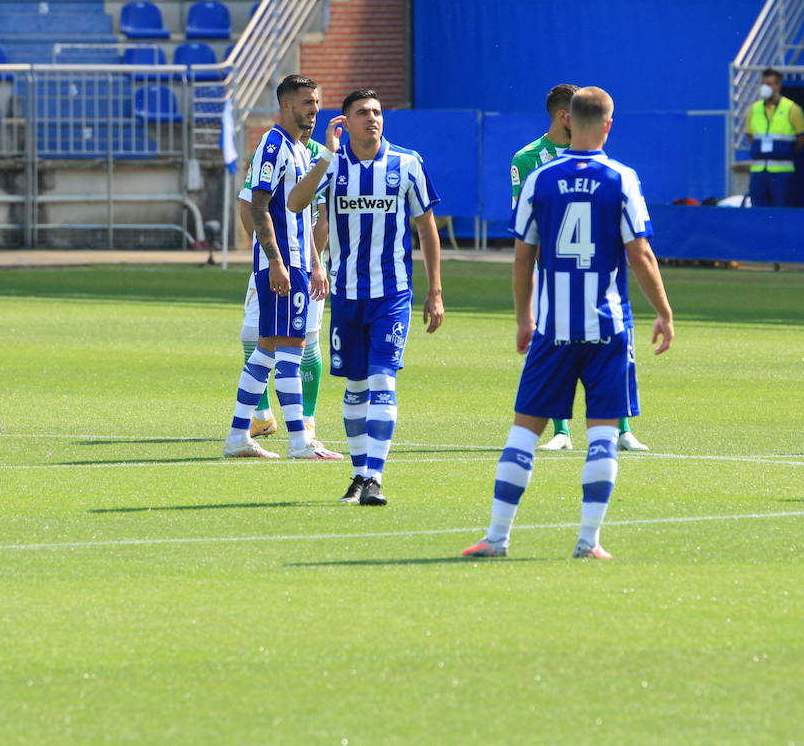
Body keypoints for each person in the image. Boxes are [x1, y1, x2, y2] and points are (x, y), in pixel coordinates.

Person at [463, 87, 675, 559]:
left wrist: (524, 317)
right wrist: (663, 310)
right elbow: (639, 252)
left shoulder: (540, 178)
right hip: (607, 329)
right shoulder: (622, 178)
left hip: (553, 328)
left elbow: (522, 258)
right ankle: (588, 542)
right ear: (607, 124)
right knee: (602, 436)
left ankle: (496, 538)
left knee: (522, 434)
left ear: (568, 120)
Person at [288, 88, 445, 506]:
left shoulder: (407, 164)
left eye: (376, 112)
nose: (372, 119)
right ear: (345, 122)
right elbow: (295, 203)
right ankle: (359, 476)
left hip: (391, 294)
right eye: (362, 113)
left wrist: (436, 291)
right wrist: (326, 154)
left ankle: (375, 476)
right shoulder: (332, 165)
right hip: (346, 295)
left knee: (382, 380)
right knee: (355, 387)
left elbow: (427, 228)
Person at [512, 83, 649, 453]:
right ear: (564, 116)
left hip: (598, 271)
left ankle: (622, 428)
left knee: (614, 342)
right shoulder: (527, 160)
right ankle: (561, 431)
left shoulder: (594, 156)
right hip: (551, 272)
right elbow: (525, 227)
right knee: (557, 343)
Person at [221, 75, 340, 460]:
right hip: (283, 262)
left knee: (273, 349)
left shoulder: (300, 150)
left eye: (317, 102)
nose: (315, 109)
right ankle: (298, 441)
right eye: (308, 102)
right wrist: (275, 261)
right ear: (287, 105)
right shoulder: (273, 145)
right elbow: (257, 205)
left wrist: (313, 262)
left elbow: (299, 213)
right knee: (288, 347)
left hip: (298, 261)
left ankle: (242, 436)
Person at [745, 68, 804, 207]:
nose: (765, 87)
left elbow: (802, 138)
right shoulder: (753, 109)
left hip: (782, 172)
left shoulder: (792, 109)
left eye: (769, 83)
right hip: (758, 172)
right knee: (758, 210)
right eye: (763, 84)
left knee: (781, 210)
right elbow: (750, 137)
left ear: (778, 85)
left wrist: (785, 152)